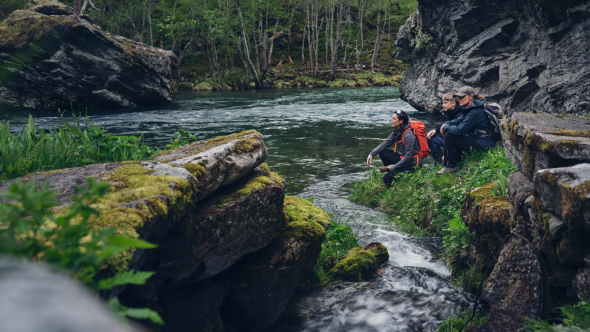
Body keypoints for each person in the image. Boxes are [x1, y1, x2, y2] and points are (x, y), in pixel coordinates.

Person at [436, 86, 496, 175]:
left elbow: (458, 130)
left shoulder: (475, 112)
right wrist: (445, 124)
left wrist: (445, 127)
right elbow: (457, 120)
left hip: (484, 143)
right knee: (450, 133)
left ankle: (451, 166)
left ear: (471, 96)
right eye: (458, 97)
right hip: (480, 140)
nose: (459, 99)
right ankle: (455, 162)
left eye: (462, 97)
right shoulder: (469, 109)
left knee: (449, 135)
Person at [366, 109, 422, 185]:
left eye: (394, 119)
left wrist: (395, 166)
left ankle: (397, 175)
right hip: (404, 160)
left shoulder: (408, 135)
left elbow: (409, 156)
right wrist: (371, 154)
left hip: (413, 164)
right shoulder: (397, 132)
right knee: (383, 152)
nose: (391, 120)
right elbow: (384, 144)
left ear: (401, 121)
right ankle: (394, 173)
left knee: (386, 179)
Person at [427, 92, 463, 164]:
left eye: (445, 103)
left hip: (459, 142)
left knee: (432, 138)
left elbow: (457, 131)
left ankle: (440, 161)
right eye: (443, 103)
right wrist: (436, 129)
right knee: (431, 135)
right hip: (454, 139)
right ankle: (441, 160)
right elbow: (446, 124)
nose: (443, 105)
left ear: (453, 103)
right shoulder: (451, 112)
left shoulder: (459, 114)